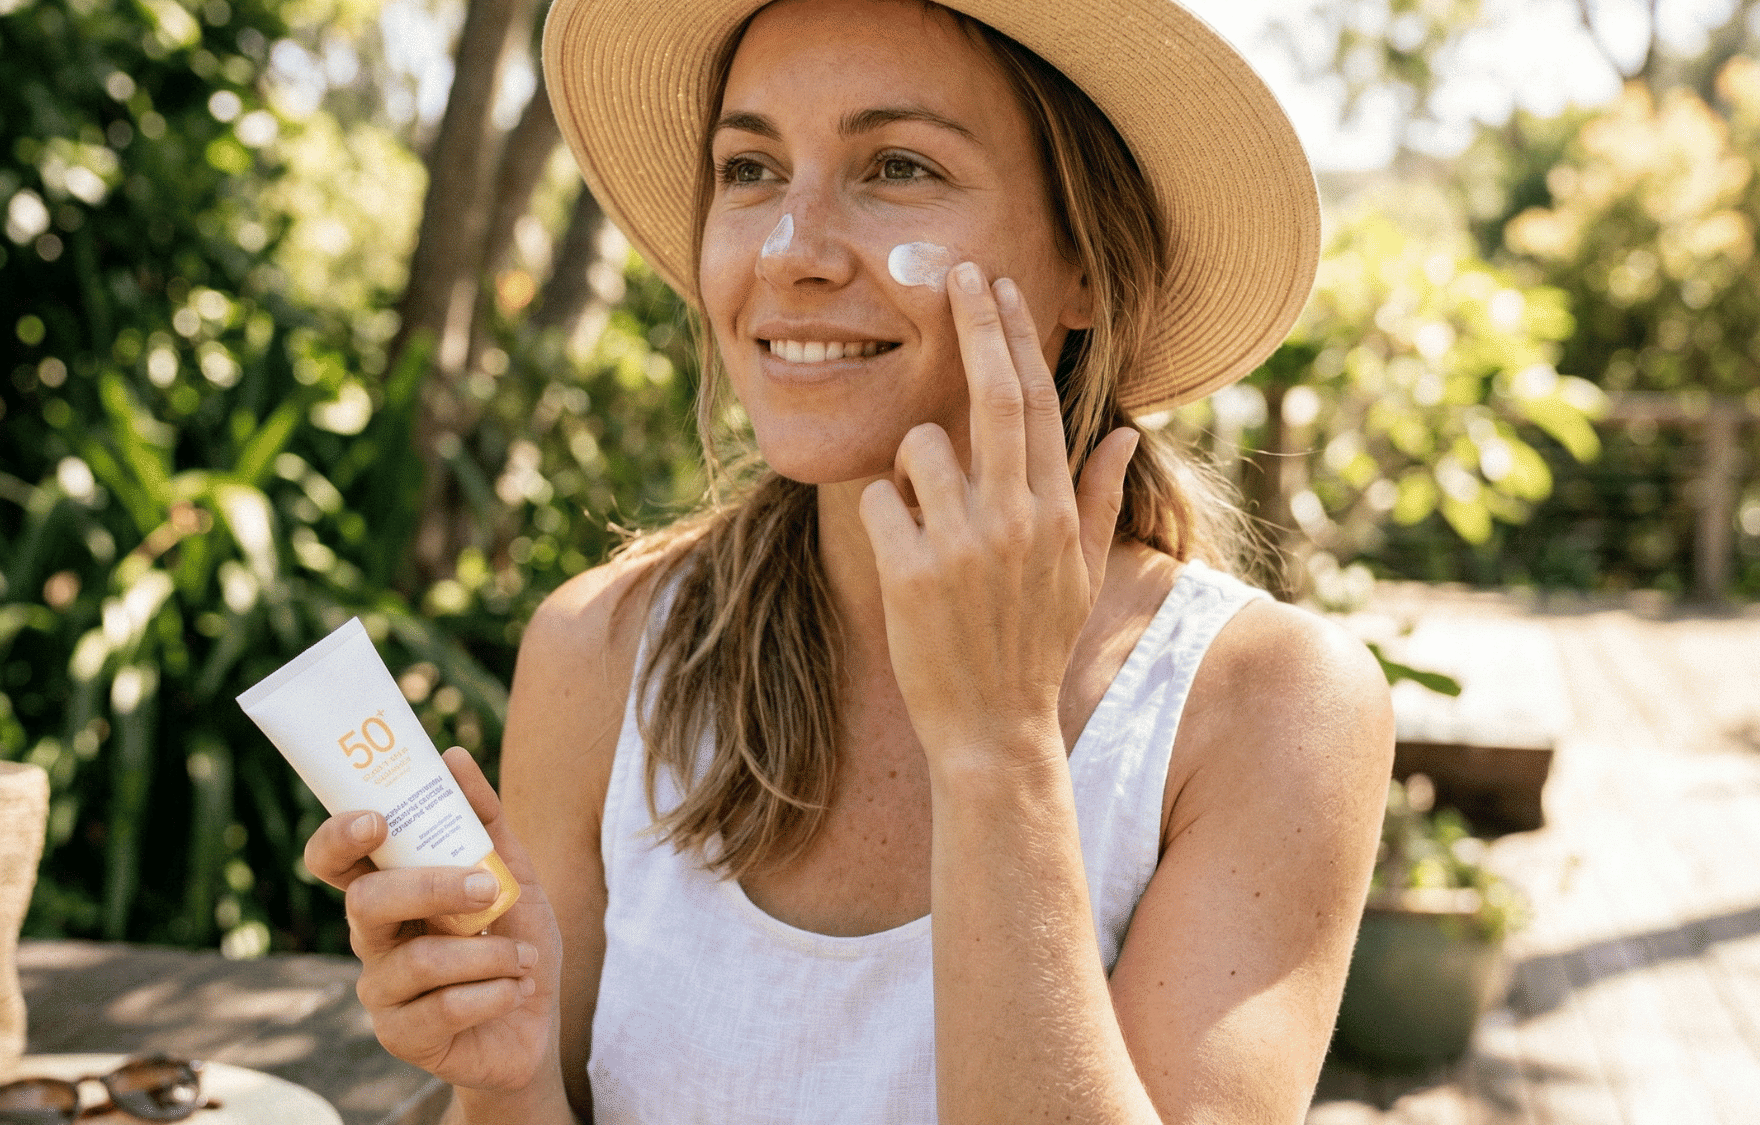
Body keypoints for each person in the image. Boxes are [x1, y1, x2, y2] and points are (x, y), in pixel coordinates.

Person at [305, 0, 1395, 1121]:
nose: (792, 250)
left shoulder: (1267, 708)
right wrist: (505, 1074)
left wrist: (998, 751)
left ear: (1083, 263)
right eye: (749, 168)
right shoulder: (600, 650)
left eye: (898, 166)